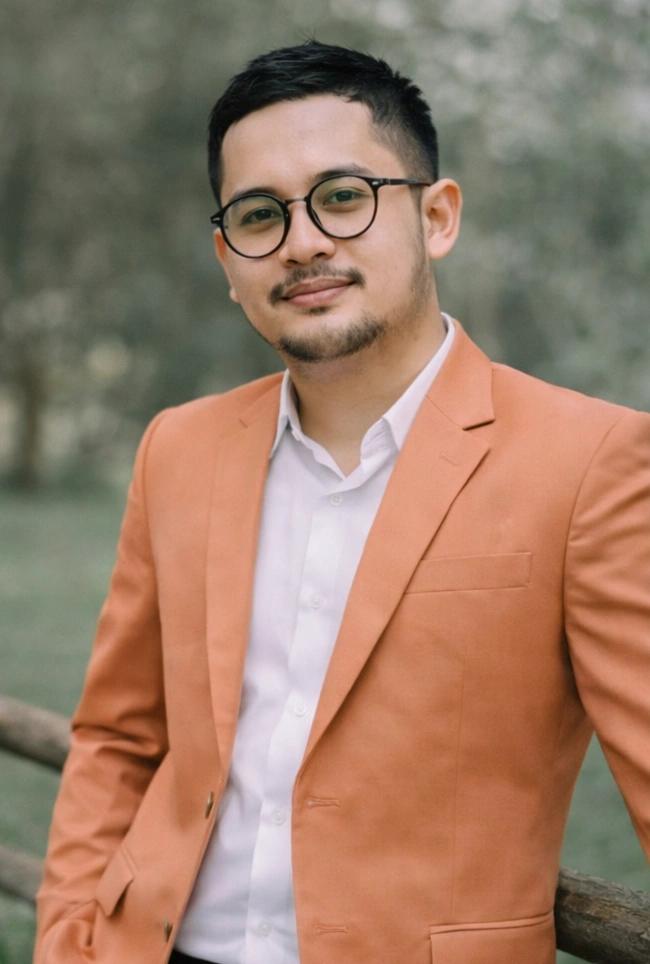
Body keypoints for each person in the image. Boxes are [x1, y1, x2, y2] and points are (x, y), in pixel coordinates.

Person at [35, 40, 649, 964]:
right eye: (259, 214)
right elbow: (118, 740)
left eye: (343, 196)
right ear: (227, 259)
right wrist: (66, 938)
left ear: (436, 217)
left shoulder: (593, 460)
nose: (303, 242)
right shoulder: (178, 448)